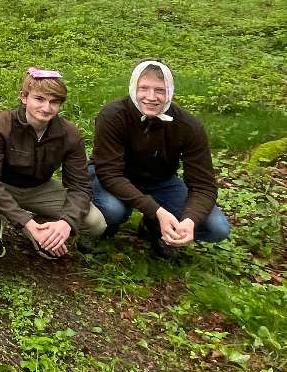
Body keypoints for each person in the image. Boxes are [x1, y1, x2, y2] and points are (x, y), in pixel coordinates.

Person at [89, 60, 230, 259]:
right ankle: (109, 225)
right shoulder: (113, 115)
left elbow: (204, 185)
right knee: (113, 211)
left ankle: (154, 228)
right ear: (133, 87)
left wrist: (190, 220)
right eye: (143, 88)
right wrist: (156, 210)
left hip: (160, 181)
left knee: (217, 228)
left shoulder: (188, 127)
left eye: (160, 90)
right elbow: (109, 173)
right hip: (114, 177)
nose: (151, 97)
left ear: (170, 91)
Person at [0, 68, 106, 260]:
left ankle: (46, 230)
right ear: (24, 98)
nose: (46, 108)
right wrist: (26, 221)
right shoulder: (1, 124)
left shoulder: (69, 134)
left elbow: (80, 187)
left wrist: (65, 222)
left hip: (39, 188)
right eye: (39, 99)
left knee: (95, 222)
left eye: (54, 102)